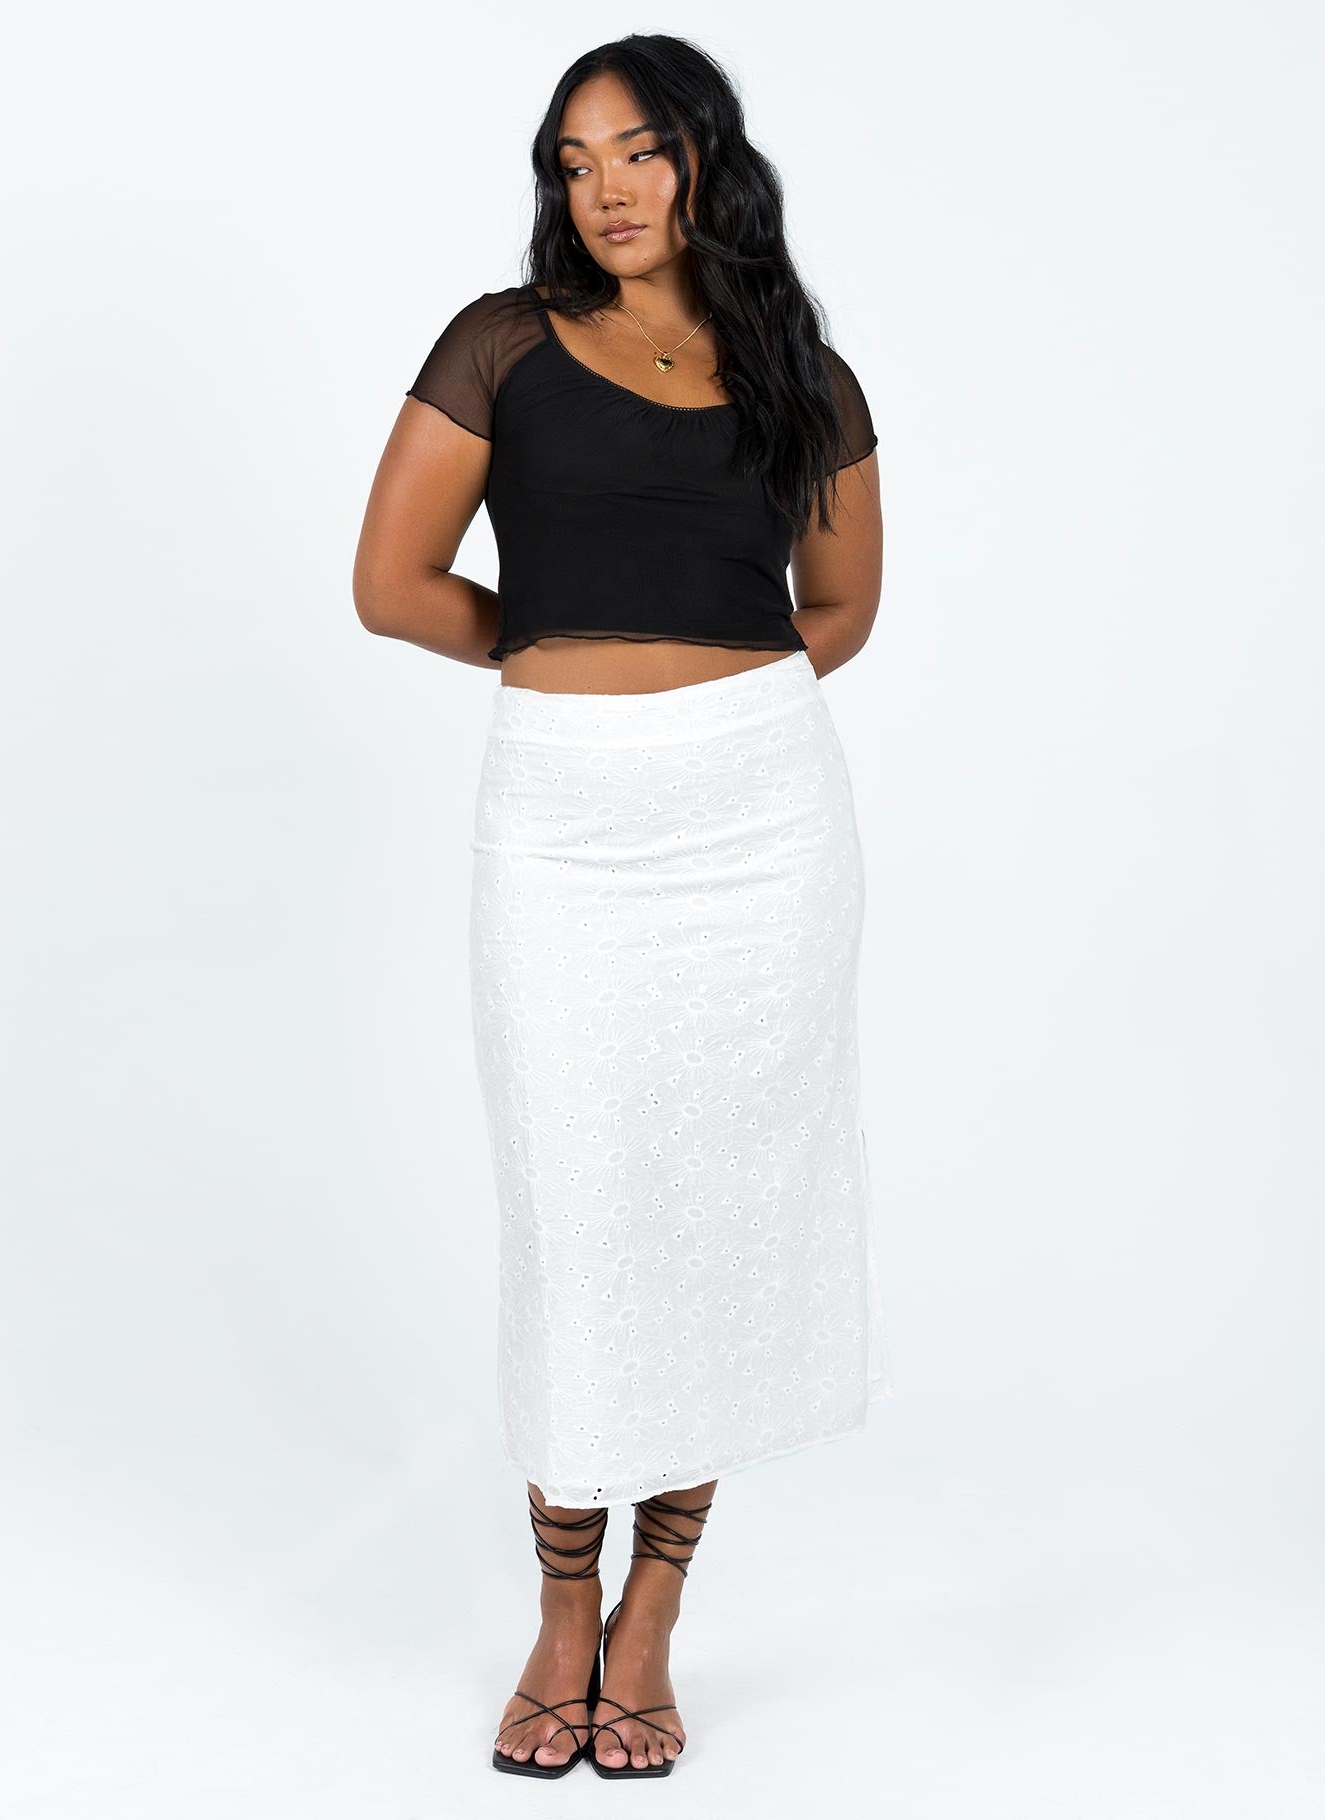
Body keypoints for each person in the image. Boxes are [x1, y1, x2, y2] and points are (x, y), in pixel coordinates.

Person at [353, 31, 893, 1781]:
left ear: (704, 156)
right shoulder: (500, 345)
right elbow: (391, 584)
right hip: (564, 822)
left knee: (720, 1220)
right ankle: (561, 1605)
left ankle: (652, 1617)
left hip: (760, 823)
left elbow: (841, 607)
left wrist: (713, 703)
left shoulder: (802, 371)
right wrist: (564, 654)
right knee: (579, 1218)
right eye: (574, 160)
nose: (607, 188)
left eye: (640, 150)